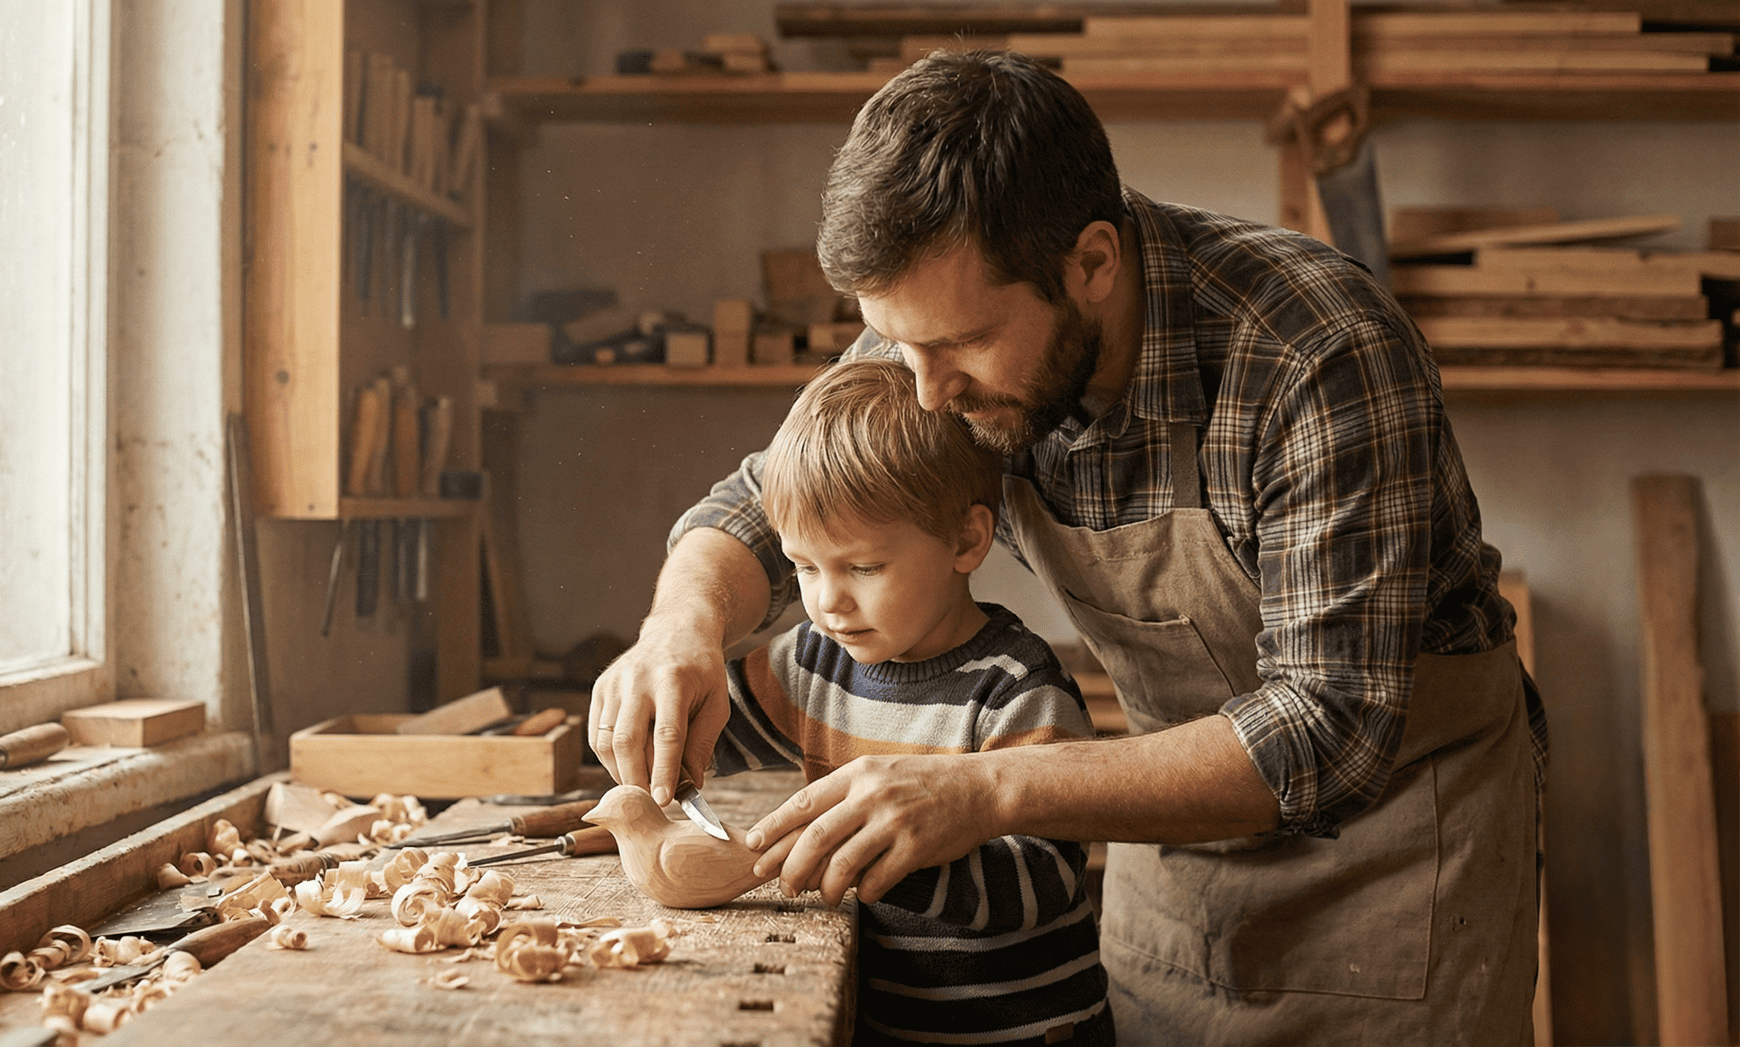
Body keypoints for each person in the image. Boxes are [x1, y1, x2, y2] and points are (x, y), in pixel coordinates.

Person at [591, 49, 1546, 1045]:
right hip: (1169, 842)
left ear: (1091, 263)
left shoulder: (1315, 349)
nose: (926, 391)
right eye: (897, 344)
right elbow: (759, 504)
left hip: (1392, 865)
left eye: (957, 346)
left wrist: (987, 787)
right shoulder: (944, 334)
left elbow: (1327, 732)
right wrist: (681, 625)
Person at [706, 355, 1109, 1045]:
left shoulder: (1015, 688)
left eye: (863, 567)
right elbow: (712, 725)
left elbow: (1046, 880)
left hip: (1026, 1034)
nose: (829, 600)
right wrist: (660, 703)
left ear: (966, 539)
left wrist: (883, 862)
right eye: (805, 566)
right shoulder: (816, 659)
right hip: (892, 1026)